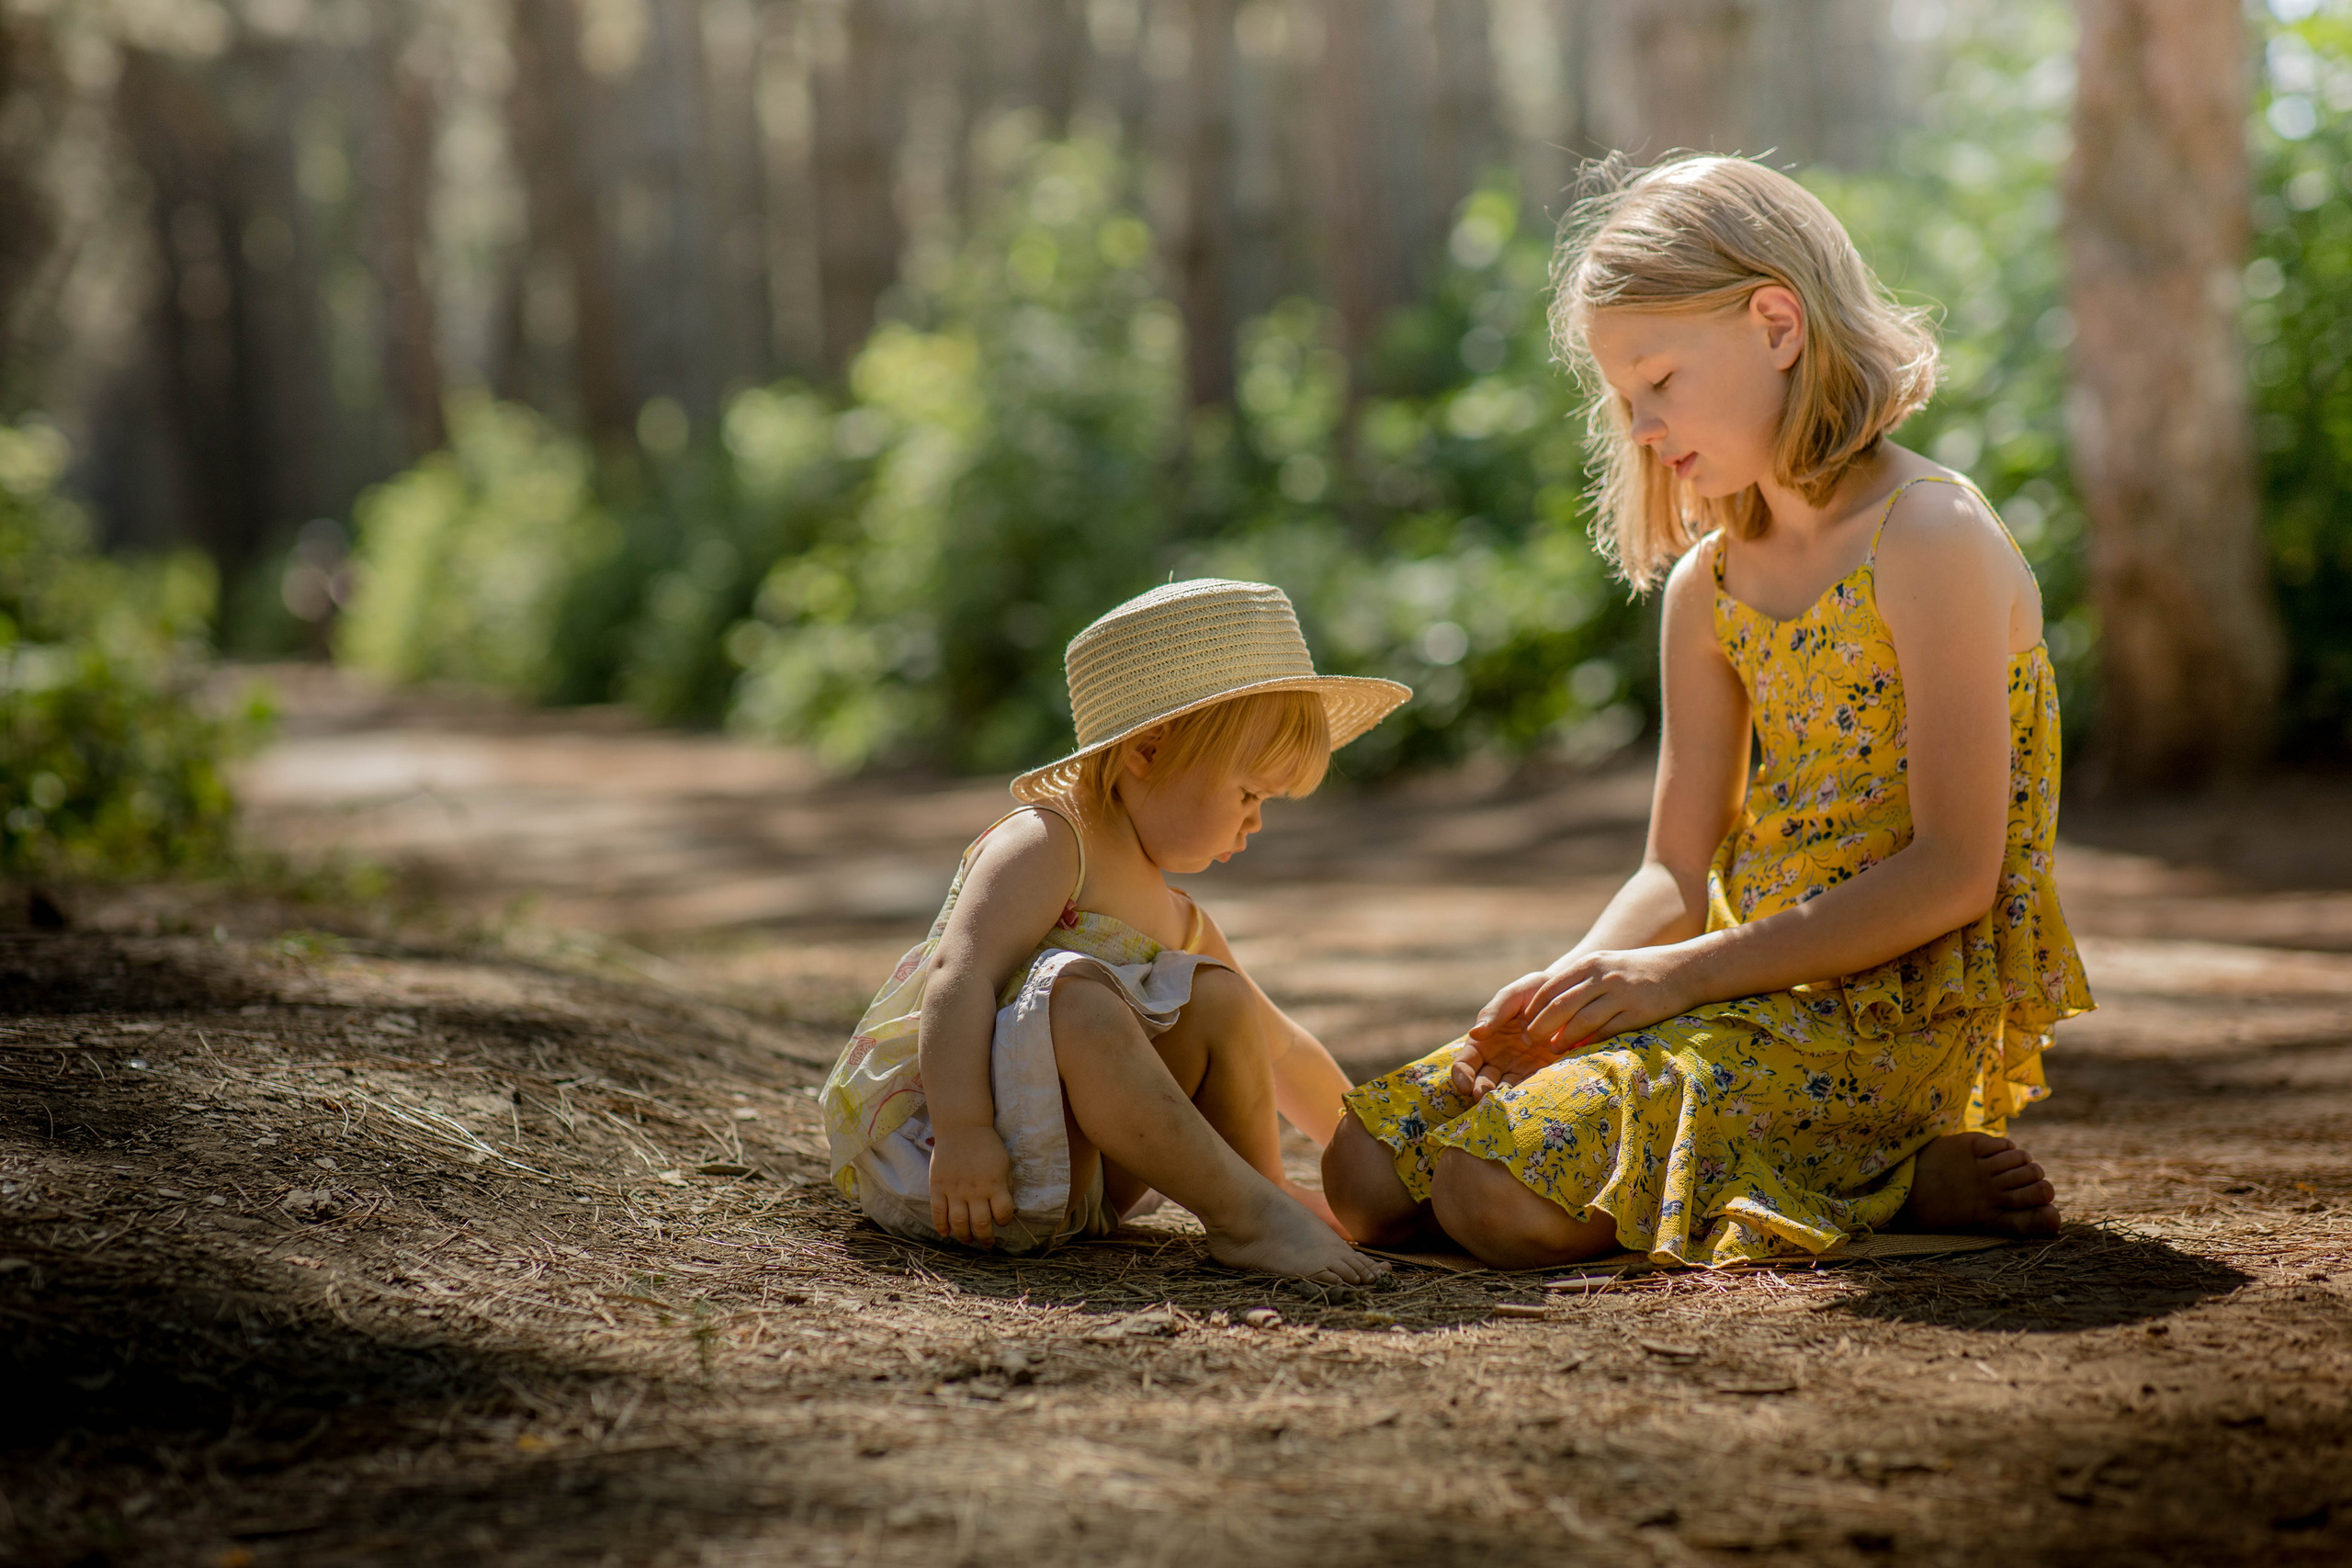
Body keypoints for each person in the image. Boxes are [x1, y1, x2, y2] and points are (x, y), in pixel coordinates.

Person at [1322, 155, 2095, 1271]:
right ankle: (1812, 1160)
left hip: (1883, 1017)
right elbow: (1673, 875)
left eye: (1660, 380)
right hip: (1732, 980)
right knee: (1360, 1168)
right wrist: (1571, 992)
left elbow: (1954, 872)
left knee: (1491, 1197)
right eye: (1621, 398)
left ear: (1777, 324)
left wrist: (1674, 979)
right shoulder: (1710, 583)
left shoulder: (1928, 536)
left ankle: (1894, 1173)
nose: (1638, 424)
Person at [821, 578, 1405, 1283]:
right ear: (1149, 751)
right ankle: (1247, 1215)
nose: (1256, 821)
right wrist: (967, 1132)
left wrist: (1382, 1147)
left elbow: (1279, 1048)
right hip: (956, 1165)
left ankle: (1259, 1192)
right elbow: (959, 974)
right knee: (1074, 993)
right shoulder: (1049, 841)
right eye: (1249, 793)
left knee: (1221, 996)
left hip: (1083, 1183)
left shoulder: (1179, 915)